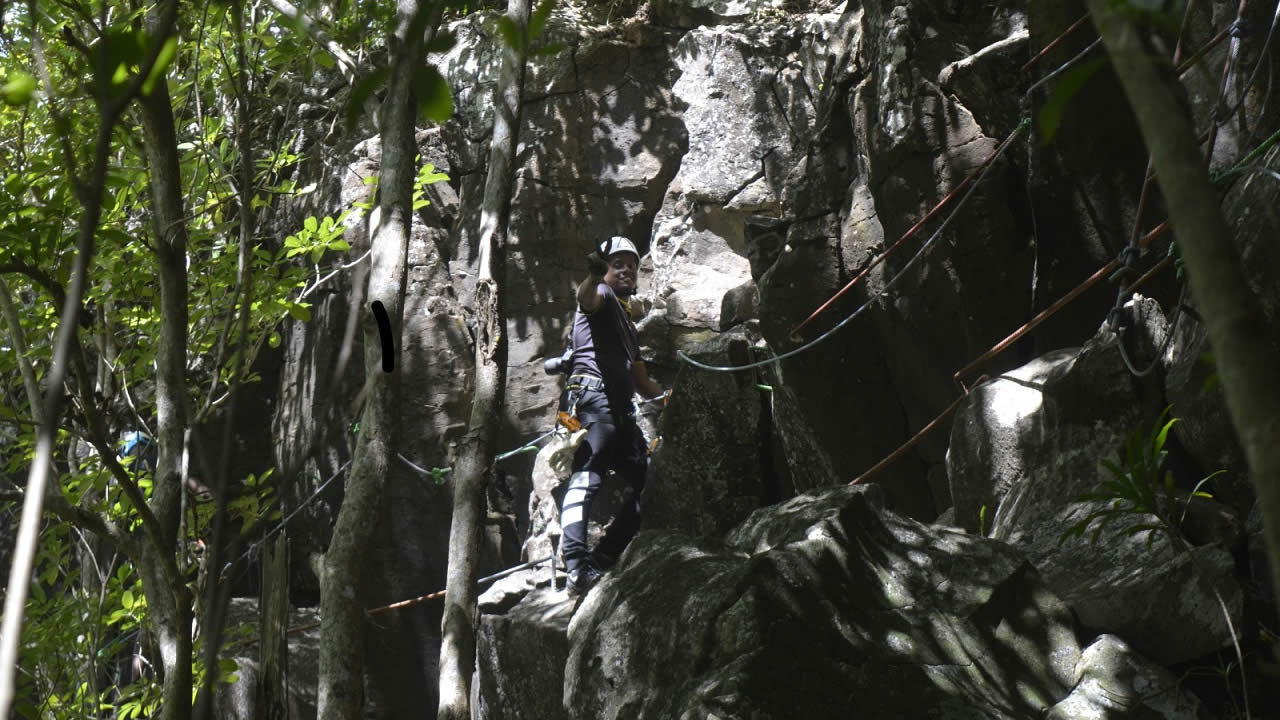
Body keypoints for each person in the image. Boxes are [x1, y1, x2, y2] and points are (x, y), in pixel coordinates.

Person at [559, 235, 665, 595]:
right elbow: (586, 298)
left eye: (632, 265)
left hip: (620, 413)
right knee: (587, 477)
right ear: (603, 268)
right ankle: (575, 567)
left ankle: (603, 558)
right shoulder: (601, 296)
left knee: (652, 483)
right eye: (617, 263)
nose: (626, 270)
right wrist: (592, 277)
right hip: (593, 401)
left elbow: (643, 384)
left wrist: (676, 396)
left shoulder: (627, 324)